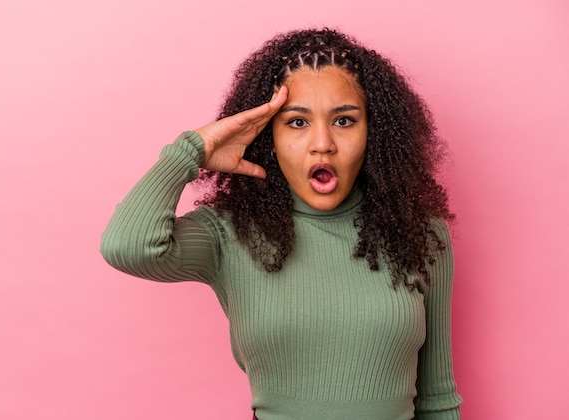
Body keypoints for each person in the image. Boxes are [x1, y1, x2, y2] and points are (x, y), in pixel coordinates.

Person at [101, 28, 462, 419]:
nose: (322, 143)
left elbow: (437, 397)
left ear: (373, 133)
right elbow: (127, 246)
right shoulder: (230, 232)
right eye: (296, 122)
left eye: (344, 121)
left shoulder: (419, 235)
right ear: (268, 135)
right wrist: (192, 151)